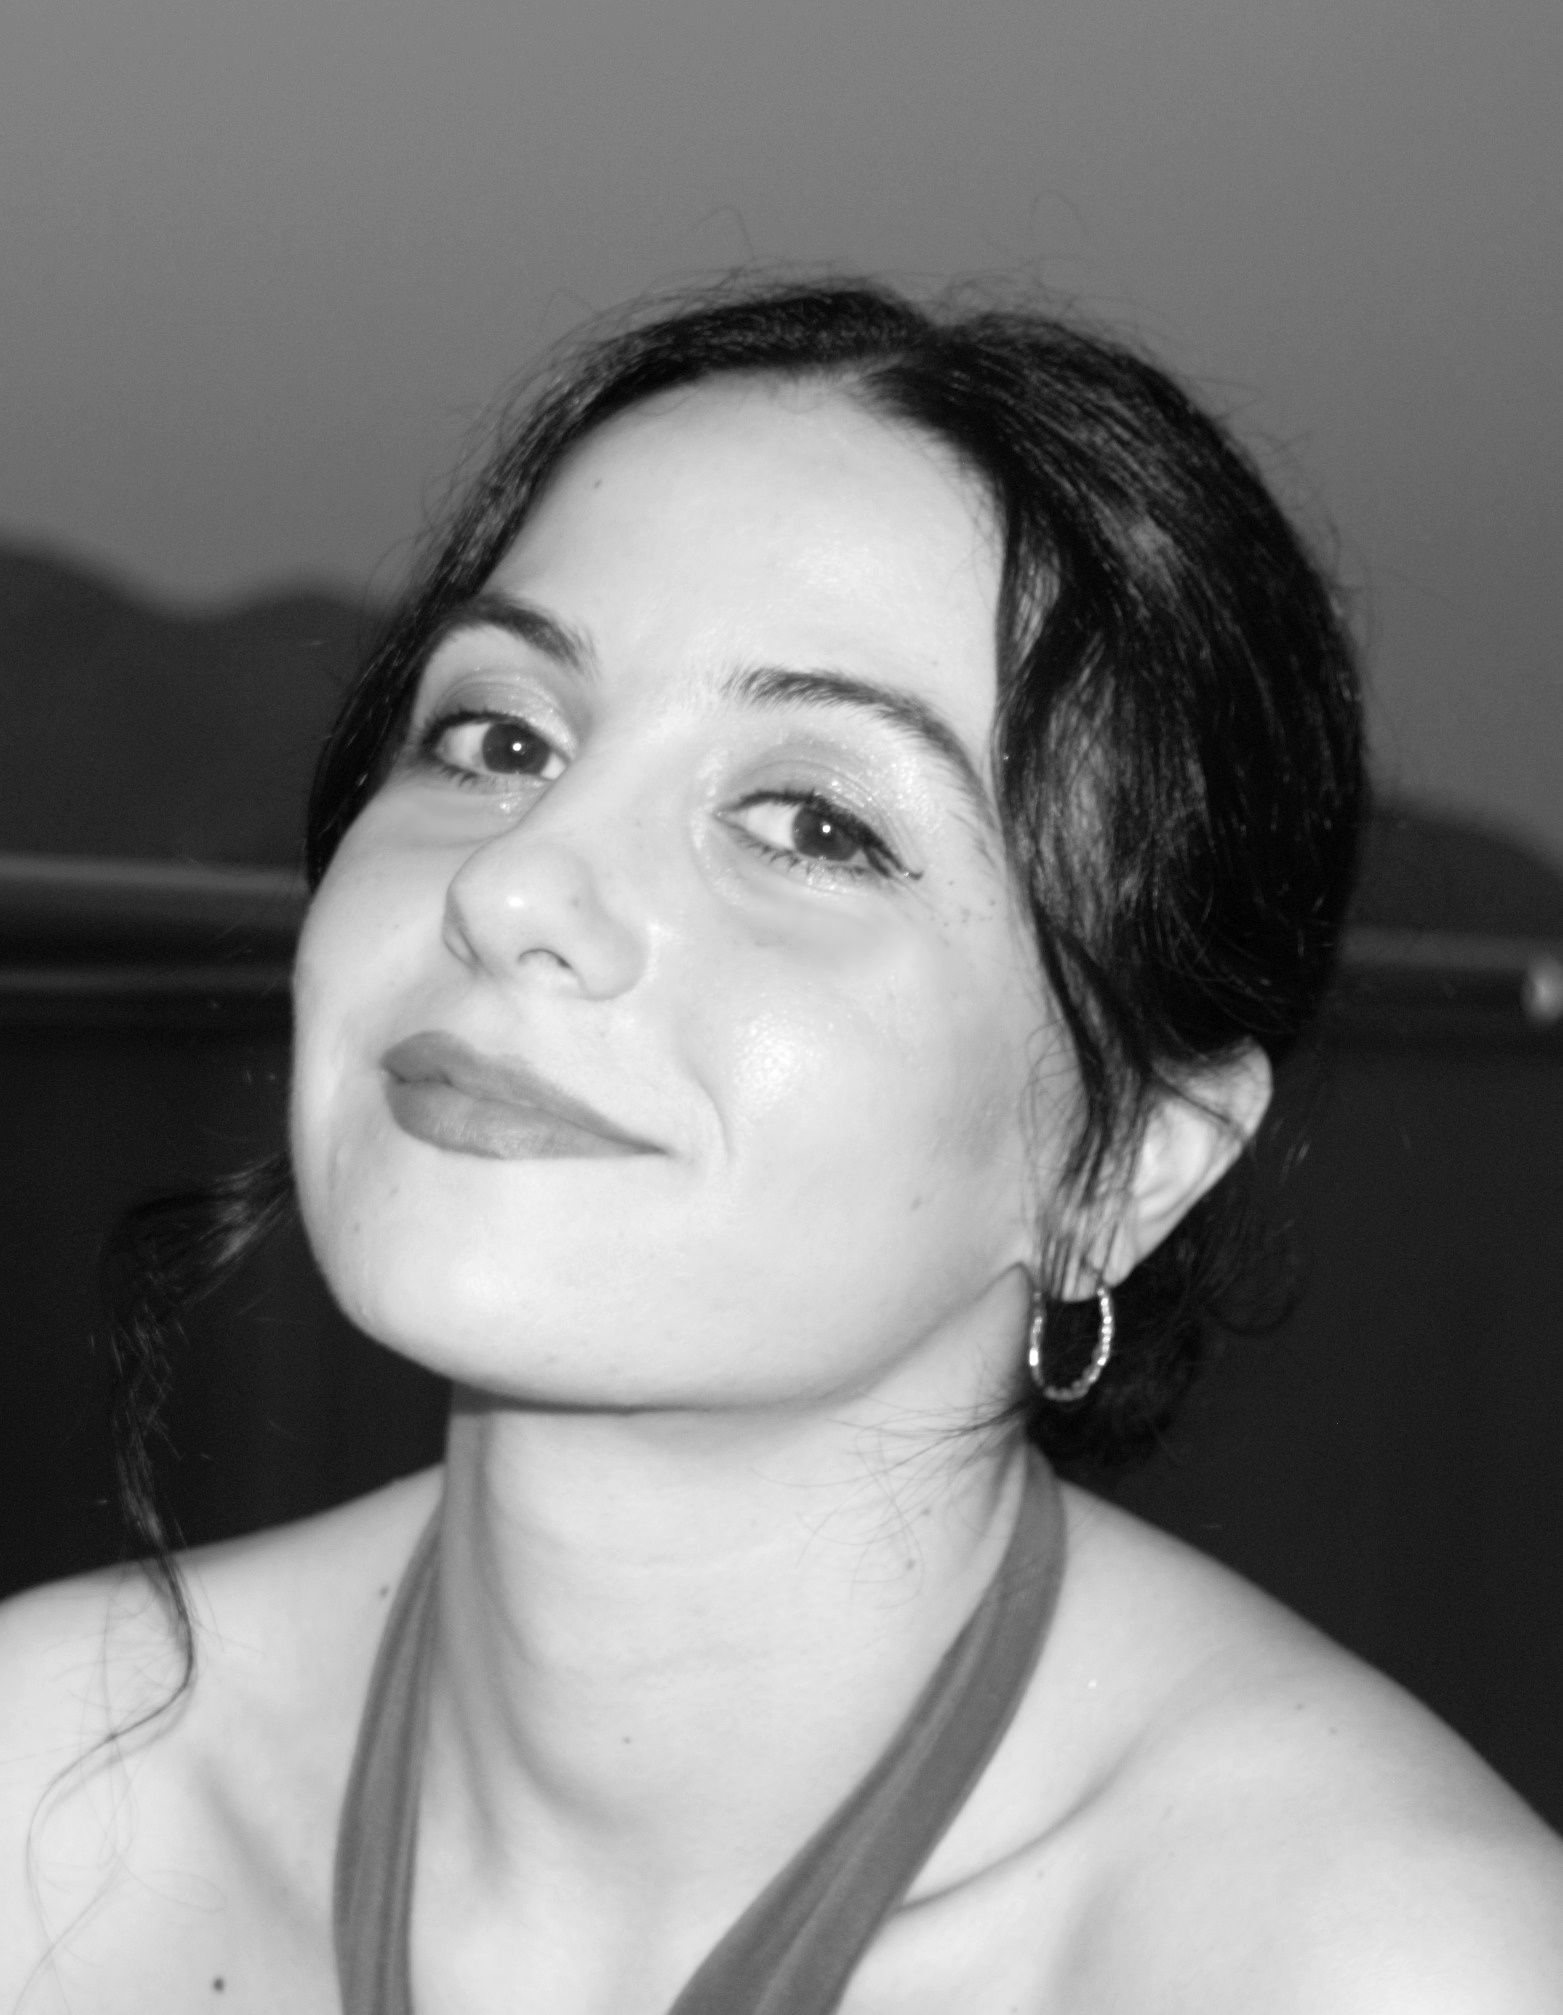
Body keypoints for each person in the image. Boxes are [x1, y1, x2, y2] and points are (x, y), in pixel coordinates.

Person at [2, 277, 1560, 2013]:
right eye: (499, 737)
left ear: (1129, 1164)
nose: (514, 884)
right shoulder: (42, 1799)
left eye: (812, 824)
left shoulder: (1371, 1966)